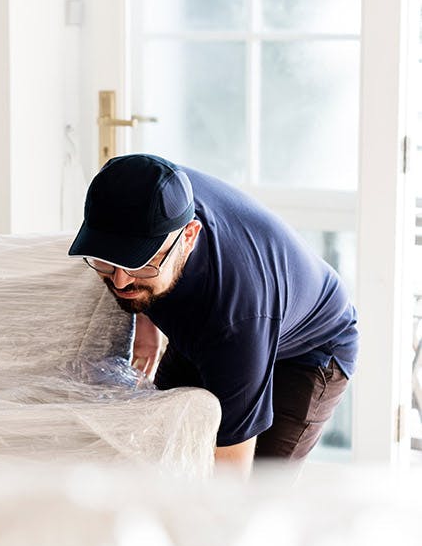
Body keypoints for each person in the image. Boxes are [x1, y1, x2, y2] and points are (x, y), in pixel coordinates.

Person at [69, 154, 358, 475]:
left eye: (140, 263)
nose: (120, 281)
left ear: (189, 236)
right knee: (159, 449)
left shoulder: (235, 322)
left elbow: (231, 480)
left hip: (310, 349)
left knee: (257, 497)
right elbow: (130, 254)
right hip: (218, 316)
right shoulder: (145, 190)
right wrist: (146, 325)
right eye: (108, 262)